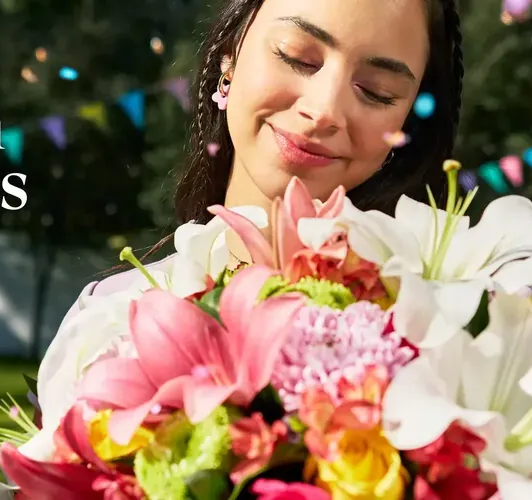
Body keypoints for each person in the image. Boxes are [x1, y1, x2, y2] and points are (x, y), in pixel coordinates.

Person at [65, 0, 464, 308]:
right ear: (230, 56)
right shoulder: (108, 317)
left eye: (377, 91)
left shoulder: (437, 323)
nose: (323, 110)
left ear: (408, 124)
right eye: (297, 57)